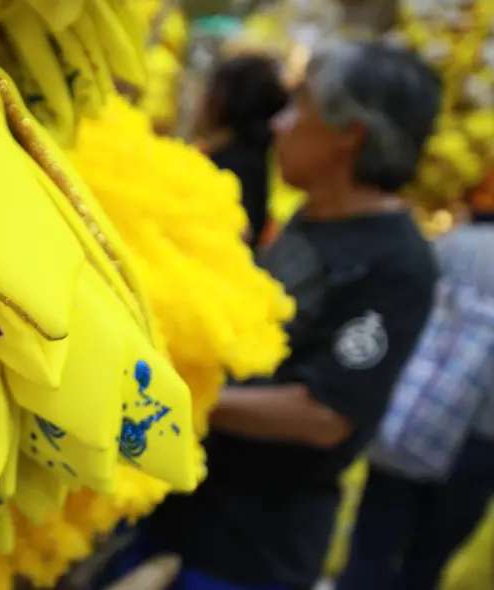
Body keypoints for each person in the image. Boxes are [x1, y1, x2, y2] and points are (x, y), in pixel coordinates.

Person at [99, 40, 443, 590]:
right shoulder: (312, 218)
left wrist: (172, 397)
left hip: (249, 553)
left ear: (347, 133)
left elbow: (324, 415)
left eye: (298, 106)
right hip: (183, 513)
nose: (279, 125)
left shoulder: (400, 264)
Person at [336, 177, 494, 590]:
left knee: (373, 543)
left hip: (415, 419)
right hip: (480, 442)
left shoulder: (460, 244)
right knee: (427, 560)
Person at [196, 53, 289, 249]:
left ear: (223, 98)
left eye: (211, 86)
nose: (203, 96)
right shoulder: (258, 157)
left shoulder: (228, 167)